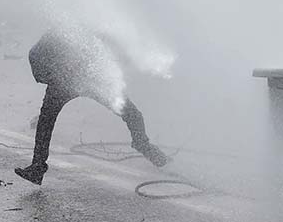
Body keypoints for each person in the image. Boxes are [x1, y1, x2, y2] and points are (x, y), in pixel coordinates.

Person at [15, 27, 169, 185]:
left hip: (89, 79)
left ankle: (143, 144)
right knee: (45, 123)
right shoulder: (51, 39)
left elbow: (109, 47)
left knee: (131, 112)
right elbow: (36, 58)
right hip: (64, 83)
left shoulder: (88, 32)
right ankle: (37, 166)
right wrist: (54, 77)